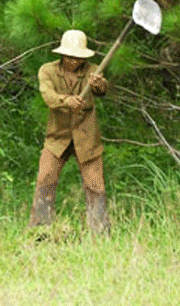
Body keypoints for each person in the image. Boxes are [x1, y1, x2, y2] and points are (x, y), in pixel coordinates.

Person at [29, 29, 111, 235]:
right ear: (62, 54)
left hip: (87, 137)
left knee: (95, 185)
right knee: (45, 178)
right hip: (58, 137)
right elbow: (48, 96)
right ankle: (40, 231)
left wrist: (99, 84)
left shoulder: (93, 70)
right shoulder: (47, 71)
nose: (74, 61)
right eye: (70, 56)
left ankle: (100, 233)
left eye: (78, 57)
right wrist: (67, 101)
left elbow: (102, 89)